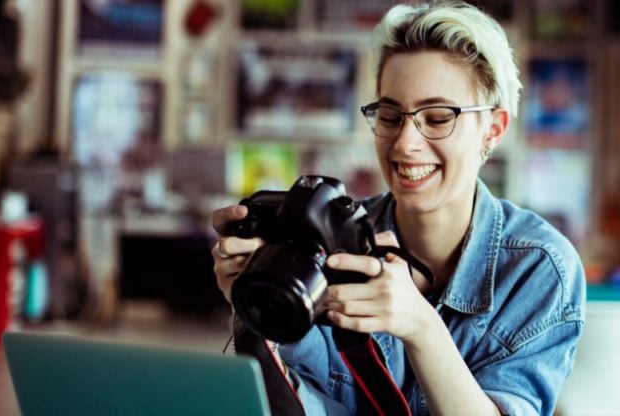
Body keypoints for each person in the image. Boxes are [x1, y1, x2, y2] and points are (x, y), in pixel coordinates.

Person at [211, 2, 585, 415]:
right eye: (390, 116)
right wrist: (256, 301)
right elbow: (290, 404)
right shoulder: (329, 246)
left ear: (493, 129)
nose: (406, 143)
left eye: (438, 118)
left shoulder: (539, 269)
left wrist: (420, 326)